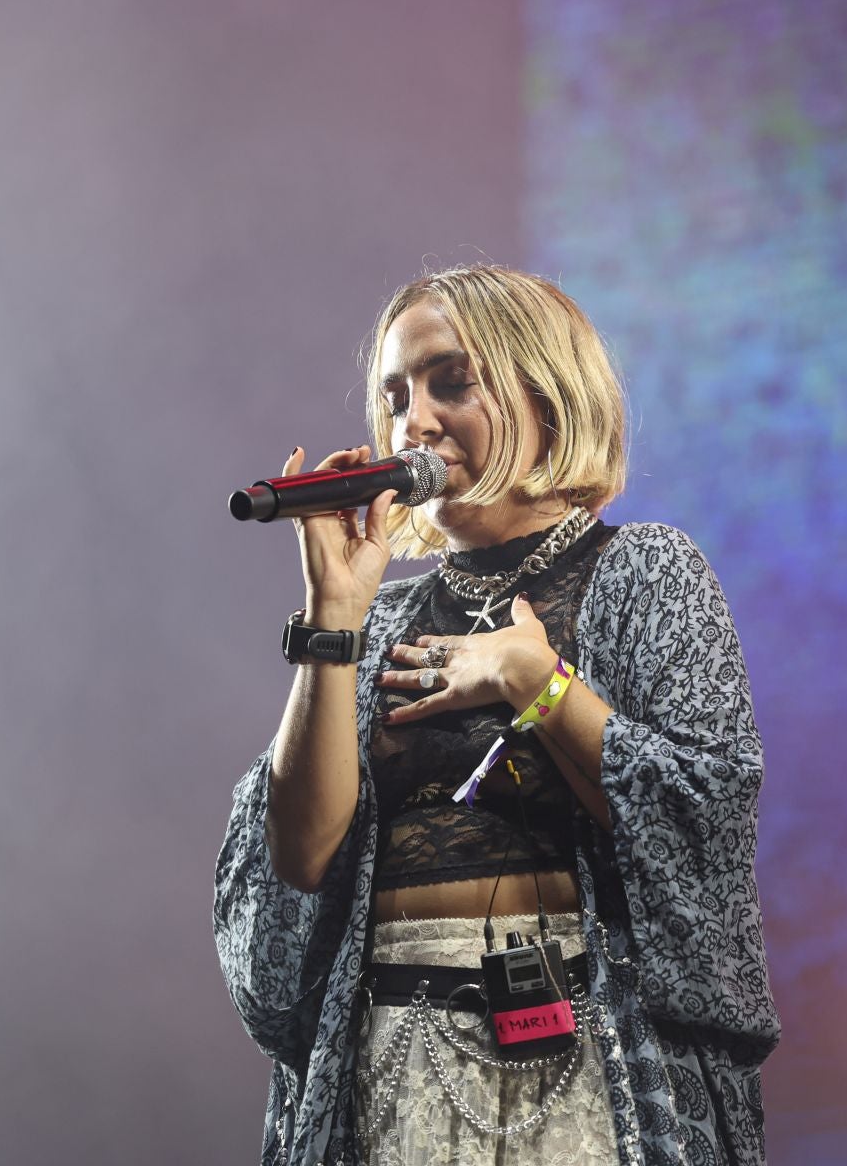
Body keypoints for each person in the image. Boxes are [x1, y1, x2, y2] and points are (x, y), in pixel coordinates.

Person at [213, 264, 779, 1165]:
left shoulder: (644, 575)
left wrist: (538, 683)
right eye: (396, 396)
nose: (414, 423)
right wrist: (333, 618)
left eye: (450, 382)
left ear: (547, 396)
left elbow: (701, 819)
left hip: (590, 1057)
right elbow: (300, 855)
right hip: (396, 1063)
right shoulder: (385, 619)